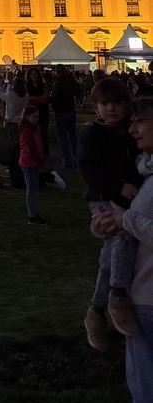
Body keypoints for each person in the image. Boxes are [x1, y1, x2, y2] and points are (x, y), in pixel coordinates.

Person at [92, 96, 153, 403]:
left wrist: (126, 220)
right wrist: (106, 224)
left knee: (147, 398)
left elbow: (138, 222)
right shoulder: (143, 168)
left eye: (140, 120)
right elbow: (129, 222)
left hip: (148, 300)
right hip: (141, 299)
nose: (131, 128)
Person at [77, 76, 140, 351]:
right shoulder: (93, 135)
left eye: (117, 103)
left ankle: (97, 311)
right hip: (103, 198)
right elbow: (88, 170)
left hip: (127, 198)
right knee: (121, 240)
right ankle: (117, 297)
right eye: (105, 103)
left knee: (109, 256)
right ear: (96, 108)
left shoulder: (132, 132)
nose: (112, 108)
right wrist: (118, 188)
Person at [18, 105, 48, 224]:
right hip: (28, 162)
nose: (36, 119)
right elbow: (31, 150)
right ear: (26, 117)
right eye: (34, 117)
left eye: (37, 117)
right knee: (31, 189)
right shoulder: (26, 131)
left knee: (34, 189)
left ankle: (34, 213)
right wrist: (41, 160)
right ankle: (32, 216)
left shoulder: (33, 129)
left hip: (33, 162)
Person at [50, 64, 80, 170]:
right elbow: (77, 90)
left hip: (61, 111)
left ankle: (68, 162)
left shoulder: (58, 83)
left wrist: (53, 105)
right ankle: (77, 159)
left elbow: (54, 97)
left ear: (57, 72)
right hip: (71, 110)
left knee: (63, 139)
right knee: (73, 137)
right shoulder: (71, 81)